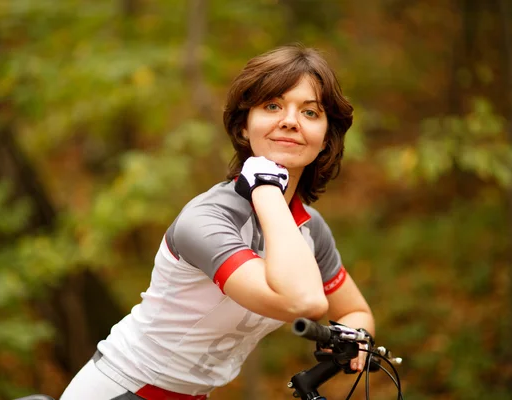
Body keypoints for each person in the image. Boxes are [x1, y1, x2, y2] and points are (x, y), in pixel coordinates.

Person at [60, 44, 374, 400]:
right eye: (272, 106)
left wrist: (354, 338)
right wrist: (267, 187)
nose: (290, 120)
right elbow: (303, 301)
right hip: (121, 389)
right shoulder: (206, 219)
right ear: (244, 128)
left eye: (310, 112)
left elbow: (354, 311)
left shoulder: (309, 228)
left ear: (325, 139)